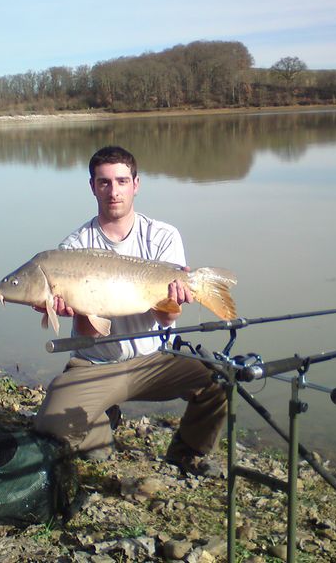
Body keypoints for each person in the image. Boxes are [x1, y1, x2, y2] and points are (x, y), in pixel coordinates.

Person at [32, 145, 227, 476]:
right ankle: (102, 422)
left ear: (136, 184)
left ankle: (187, 450)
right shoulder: (73, 247)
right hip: (97, 364)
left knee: (222, 377)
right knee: (52, 426)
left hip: (155, 360)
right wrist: (76, 310)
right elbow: (92, 332)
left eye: (121, 181)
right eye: (104, 182)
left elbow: (167, 318)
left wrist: (176, 299)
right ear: (92, 186)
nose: (114, 191)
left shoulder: (162, 236)